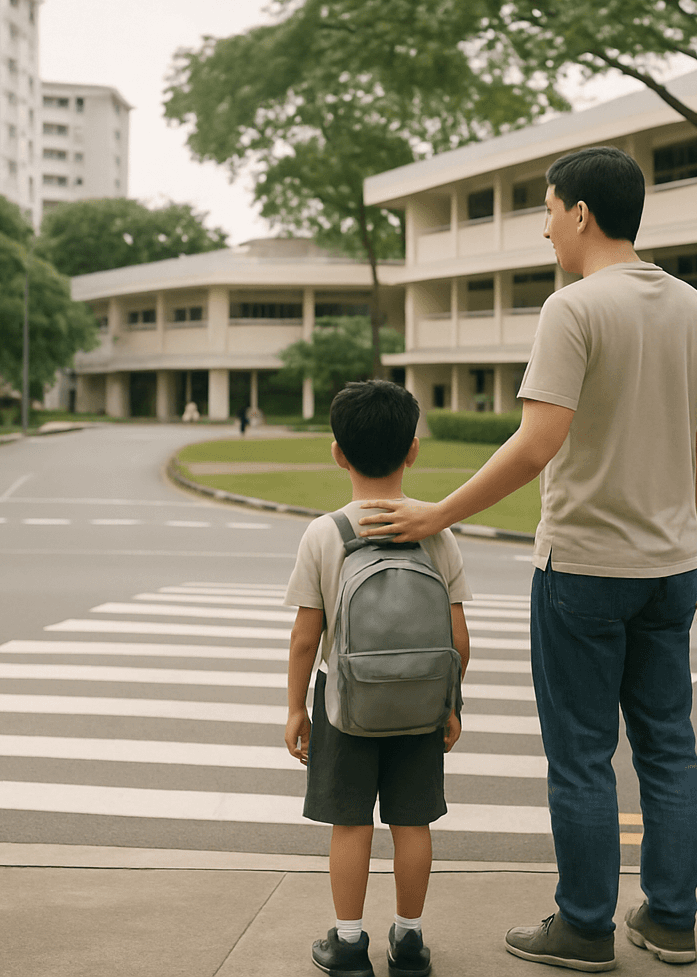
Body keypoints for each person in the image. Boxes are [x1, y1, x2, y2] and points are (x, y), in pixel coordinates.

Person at [358, 146, 697, 971]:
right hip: (671, 572)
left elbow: (537, 443)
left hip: (586, 569)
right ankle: (672, 919)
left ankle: (586, 927)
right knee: (668, 747)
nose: (546, 229)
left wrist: (437, 513)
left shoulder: (573, 309)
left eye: (550, 211)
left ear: (581, 214)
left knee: (583, 754)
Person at [284, 379, 472, 977]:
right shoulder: (436, 530)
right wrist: (450, 703)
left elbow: (305, 637)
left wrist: (296, 708)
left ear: (338, 453)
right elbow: (458, 637)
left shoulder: (325, 534)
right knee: (412, 821)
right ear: (412, 449)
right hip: (420, 701)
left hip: (344, 703)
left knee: (350, 823)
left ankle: (347, 944)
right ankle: (409, 942)